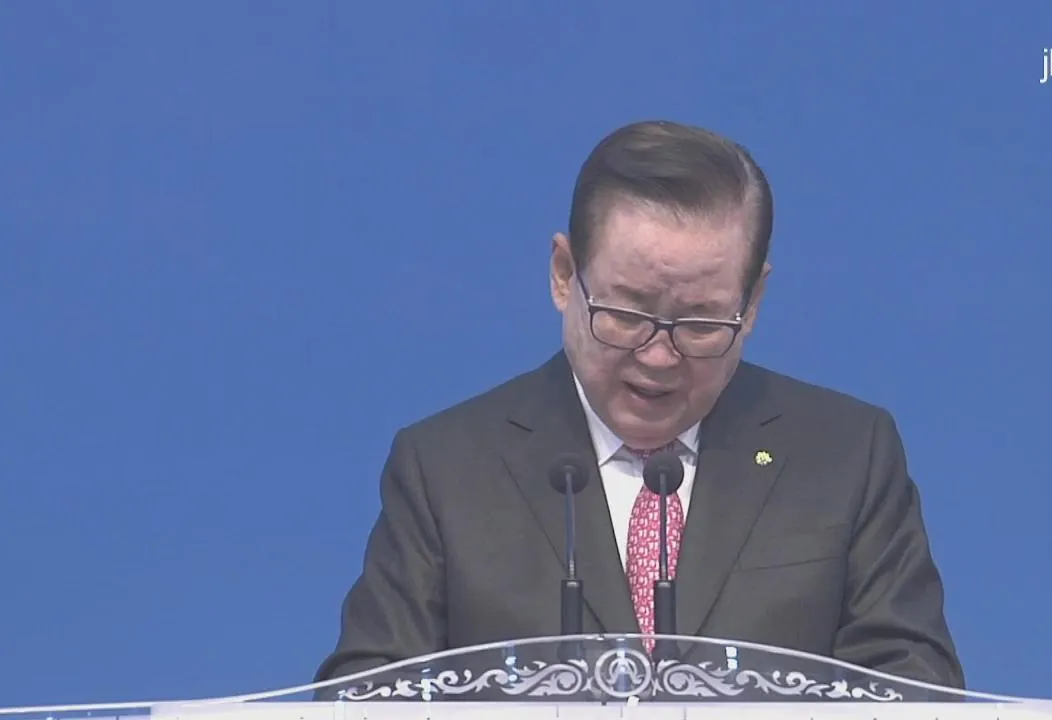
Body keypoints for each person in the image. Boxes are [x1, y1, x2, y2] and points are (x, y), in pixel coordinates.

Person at [313, 120, 965, 695]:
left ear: (753, 303)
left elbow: (912, 684)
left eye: (700, 323)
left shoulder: (846, 455)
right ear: (564, 274)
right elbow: (367, 695)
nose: (658, 356)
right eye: (626, 314)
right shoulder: (446, 468)